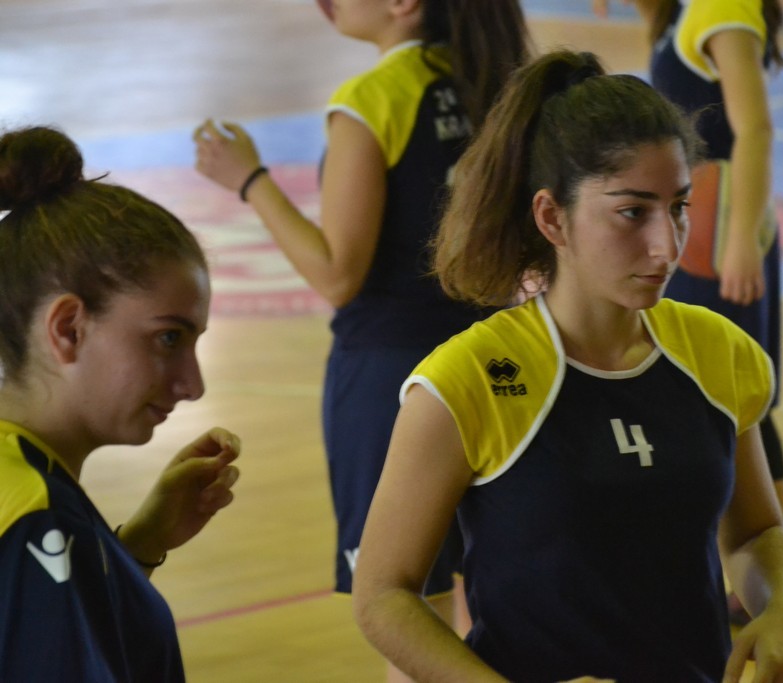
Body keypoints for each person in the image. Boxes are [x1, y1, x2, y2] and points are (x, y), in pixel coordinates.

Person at [352, 50, 783, 683]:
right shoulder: (465, 380)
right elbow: (384, 594)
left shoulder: (717, 351)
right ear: (552, 217)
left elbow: (755, 532)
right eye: (632, 211)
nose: (666, 245)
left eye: (678, 206)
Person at [192, 0, 531, 668]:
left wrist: (250, 180)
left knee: (408, 613)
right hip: (501, 364)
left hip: (396, 379)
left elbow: (337, 273)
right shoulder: (502, 85)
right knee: (494, 611)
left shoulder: (373, 99)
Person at [0, 125, 241, 682]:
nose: (193, 385)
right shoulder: (35, 518)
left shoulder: (27, 494)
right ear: (69, 329)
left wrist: (135, 549)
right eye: (168, 338)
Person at [595, 0, 783, 625]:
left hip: (721, 232)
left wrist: (740, 240)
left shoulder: (722, 7)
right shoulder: (682, 13)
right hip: (696, 226)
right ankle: (732, 576)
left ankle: (762, 577)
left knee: (736, 401)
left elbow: (754, 129)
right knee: (708, 398)